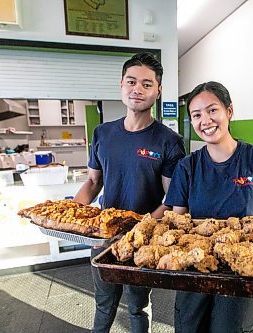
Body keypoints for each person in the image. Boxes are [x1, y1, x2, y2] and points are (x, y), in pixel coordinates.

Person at [164, 81, 253, 333]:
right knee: (189, 328)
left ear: (229, 112)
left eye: (212, 110)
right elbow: (175, 224)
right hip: (196, 267)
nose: (206, 120)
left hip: (243, 269)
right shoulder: (187, 167)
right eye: (197, 115)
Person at [73, 52, 186, 333]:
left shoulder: (169, 141)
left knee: (137, 306)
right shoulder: (102, 133)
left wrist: (140, 228)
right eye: (131, 81)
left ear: (158, 91)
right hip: (103, 235)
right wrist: (75, 215)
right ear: (121, 85)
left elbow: (171, 200)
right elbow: (92, 182)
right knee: (103, 302)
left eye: (147, 84)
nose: (138, 89)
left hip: (142, 239)